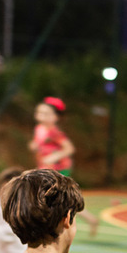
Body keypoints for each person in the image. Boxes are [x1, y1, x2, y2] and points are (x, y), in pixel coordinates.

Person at [28, 97, 99, 236]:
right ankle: (90, 219)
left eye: (46, 113)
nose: (41, 115)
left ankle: (48, 227)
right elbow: (38, 145)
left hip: (58, 169)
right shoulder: (39, 129)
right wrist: (34, 146)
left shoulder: (54, 132)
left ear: (55, 117)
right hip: (45, 168)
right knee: (62, 200)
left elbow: (69, 148)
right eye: (39, 112)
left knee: (50, 198)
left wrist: (54, 157)